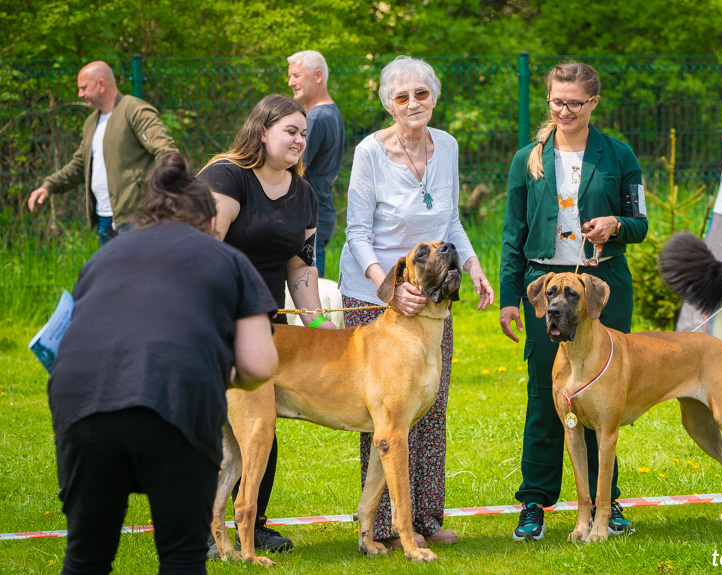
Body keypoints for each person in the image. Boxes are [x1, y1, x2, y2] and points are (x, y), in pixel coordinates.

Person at [48, 152, 278, 575]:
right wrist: (216, 372)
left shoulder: (104, 258)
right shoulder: (228, 260)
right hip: (173, 403)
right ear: (211, 223)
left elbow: (62, 341)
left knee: (86, 558)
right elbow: (261, 363)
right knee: (181, 557)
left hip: (81, 408)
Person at [339, 55, 494, 549]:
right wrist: (390, 286)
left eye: (421, 94)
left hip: (432, 291)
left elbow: (449, 223)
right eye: (402, 97)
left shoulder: (445, 145)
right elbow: (357, 232)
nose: (412, 104)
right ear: (388, 103)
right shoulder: (369, 152)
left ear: (434, 96)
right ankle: (380, 527)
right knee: (386, 416)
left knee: (429, 406)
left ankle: (426, 517)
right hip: (376, 291)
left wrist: (472, 266)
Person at [499, 61, 648, 541]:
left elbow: (640, 223)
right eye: (556, 102)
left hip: (603, 288)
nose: (564, 111)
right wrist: (508, 298)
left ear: (593, 104)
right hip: (547, 291)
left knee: (605, 400)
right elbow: (511, 236)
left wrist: (616, 226)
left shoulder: (619, 155)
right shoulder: (529, 157)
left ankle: (608, 503)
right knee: (547, 398)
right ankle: (535, 502)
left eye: (574, 103)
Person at [198, 94, 338, 555]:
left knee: (258, 428)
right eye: (290, 131)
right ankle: (198, 527)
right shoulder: (226, 177)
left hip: (267, 324)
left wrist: (318, 326)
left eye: (303, 133)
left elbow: (300, 269)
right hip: (212, 318)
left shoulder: (305, 194)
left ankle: (250, 524)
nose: (300, 140)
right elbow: (203, 252)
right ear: (263, 132)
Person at [27, 60, 178, 245]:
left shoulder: (135, 111)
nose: (80, 94)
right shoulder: (91, 122)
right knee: (112, 275)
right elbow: (79, 165)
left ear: (100, 84)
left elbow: (166, 152)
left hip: (138, 217)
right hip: (105, 219)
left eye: (83, 88)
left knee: (141, 273)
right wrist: (49, 186)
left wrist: (157, 195)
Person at [288, 50, 346, 278]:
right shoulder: (332, 113)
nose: (291, 81)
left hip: (310, 218)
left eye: (297, 75)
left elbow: (294, 167)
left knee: (310, 304)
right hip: (321, 213)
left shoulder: (315, 118)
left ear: (318, 76)